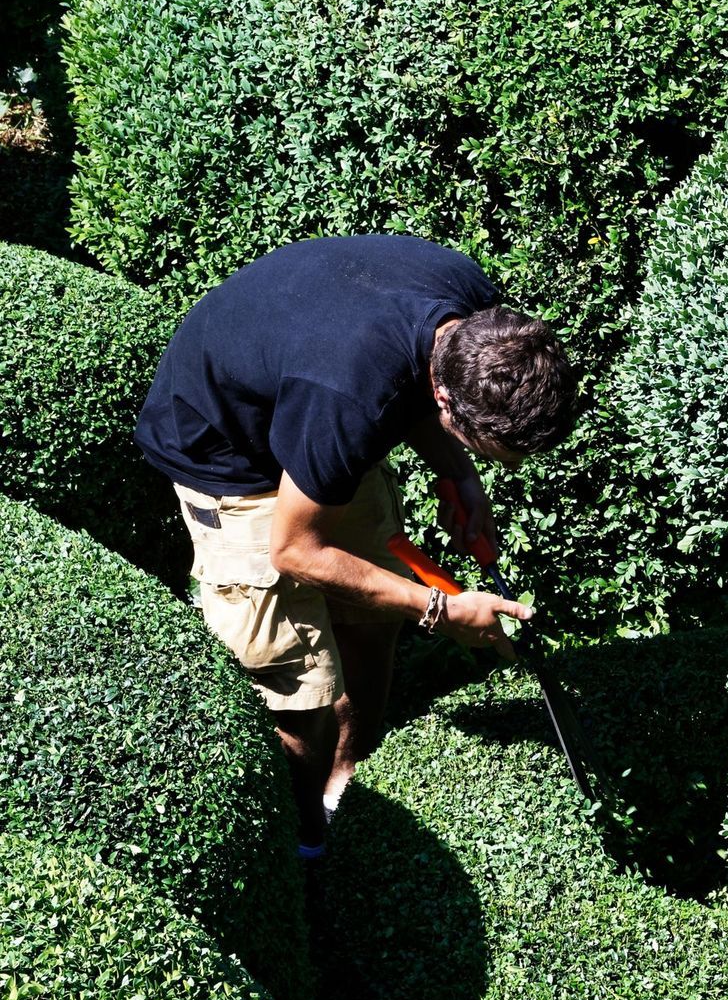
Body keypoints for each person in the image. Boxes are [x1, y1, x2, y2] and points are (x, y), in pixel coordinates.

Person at [135, 234, 581, 859]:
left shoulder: (478, 317)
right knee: (300, 687)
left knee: (373, 620)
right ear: (447, 398)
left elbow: (412, 387)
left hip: (316, 423)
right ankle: (304, 843)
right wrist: (439, 609)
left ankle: (339, 790)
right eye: (487, 452)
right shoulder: (350, 396)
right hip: (226, 456)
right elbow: (294, 549)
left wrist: (459, 474)